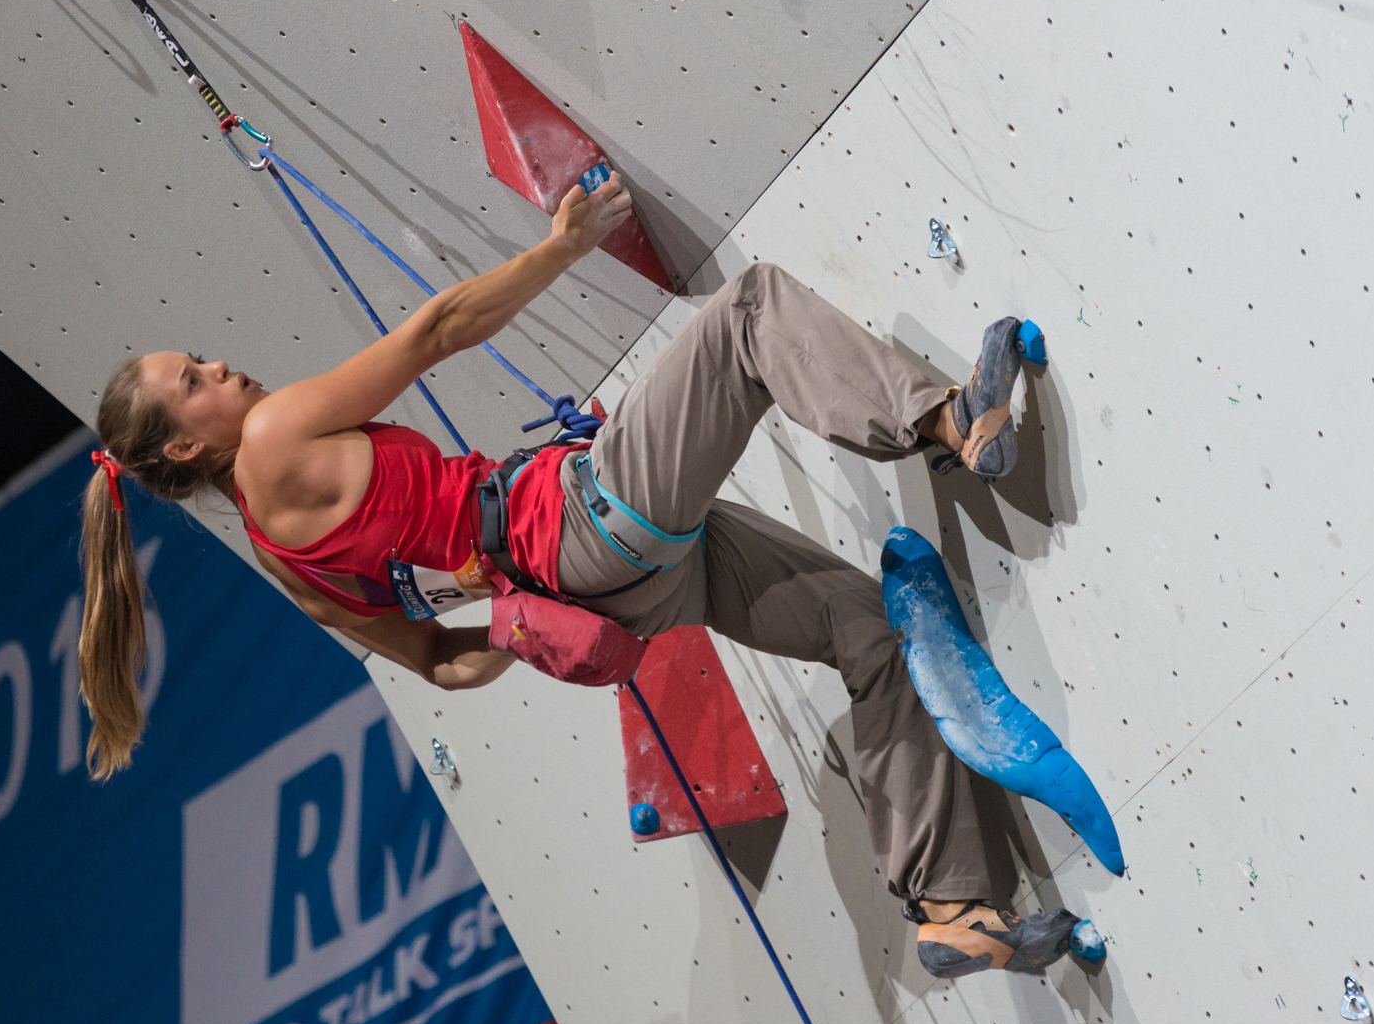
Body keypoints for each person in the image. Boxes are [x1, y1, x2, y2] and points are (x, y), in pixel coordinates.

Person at [79, 175, 1074, 979]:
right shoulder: (271, 435)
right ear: (178, 451)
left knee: (873, 626)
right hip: (573, 525)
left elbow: (436, 661)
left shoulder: (278, 559)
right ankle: (950, 419)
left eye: (204, 359)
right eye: (196, 381)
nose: (226, 373)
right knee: (751, 311)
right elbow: (433, 334)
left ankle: (953, 908)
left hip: (606, 590)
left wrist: (519, 622)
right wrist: (563, 246)